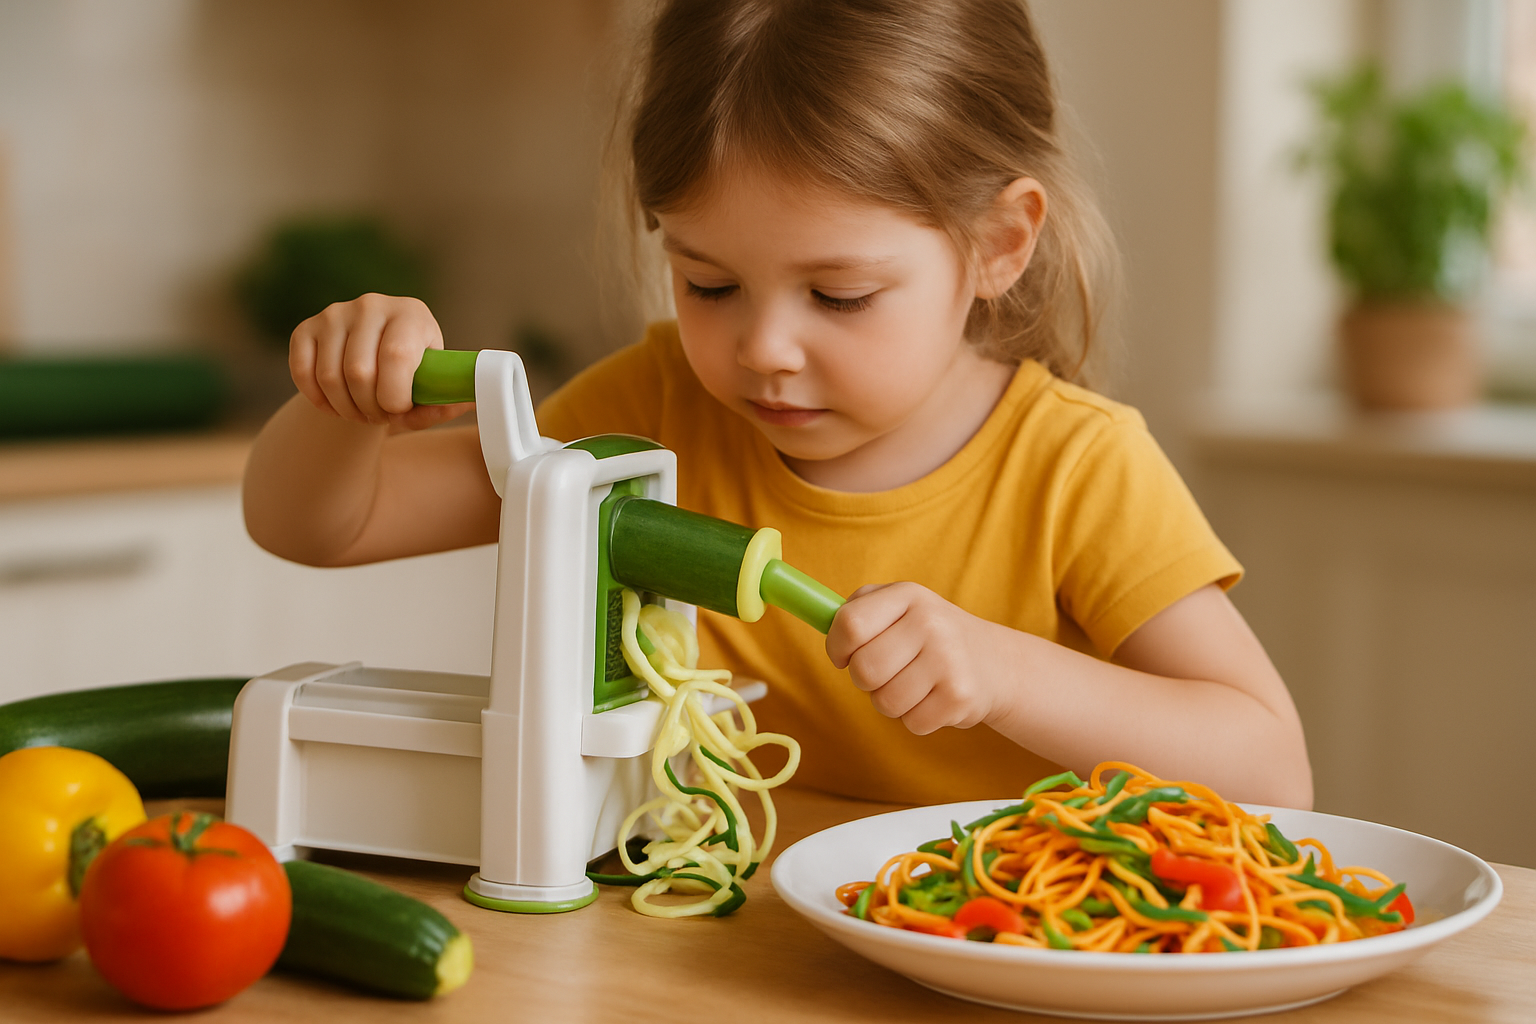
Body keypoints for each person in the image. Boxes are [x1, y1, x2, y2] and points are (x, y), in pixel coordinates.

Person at [244, 0, 1312, 809]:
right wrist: (346, 400)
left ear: (997, 246)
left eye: (838, 294)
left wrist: (1009, 672)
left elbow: (1272, 774)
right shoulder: (650, 408)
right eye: (709, 283)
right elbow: (317, 524)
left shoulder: (1076, 467)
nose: (762, 348)